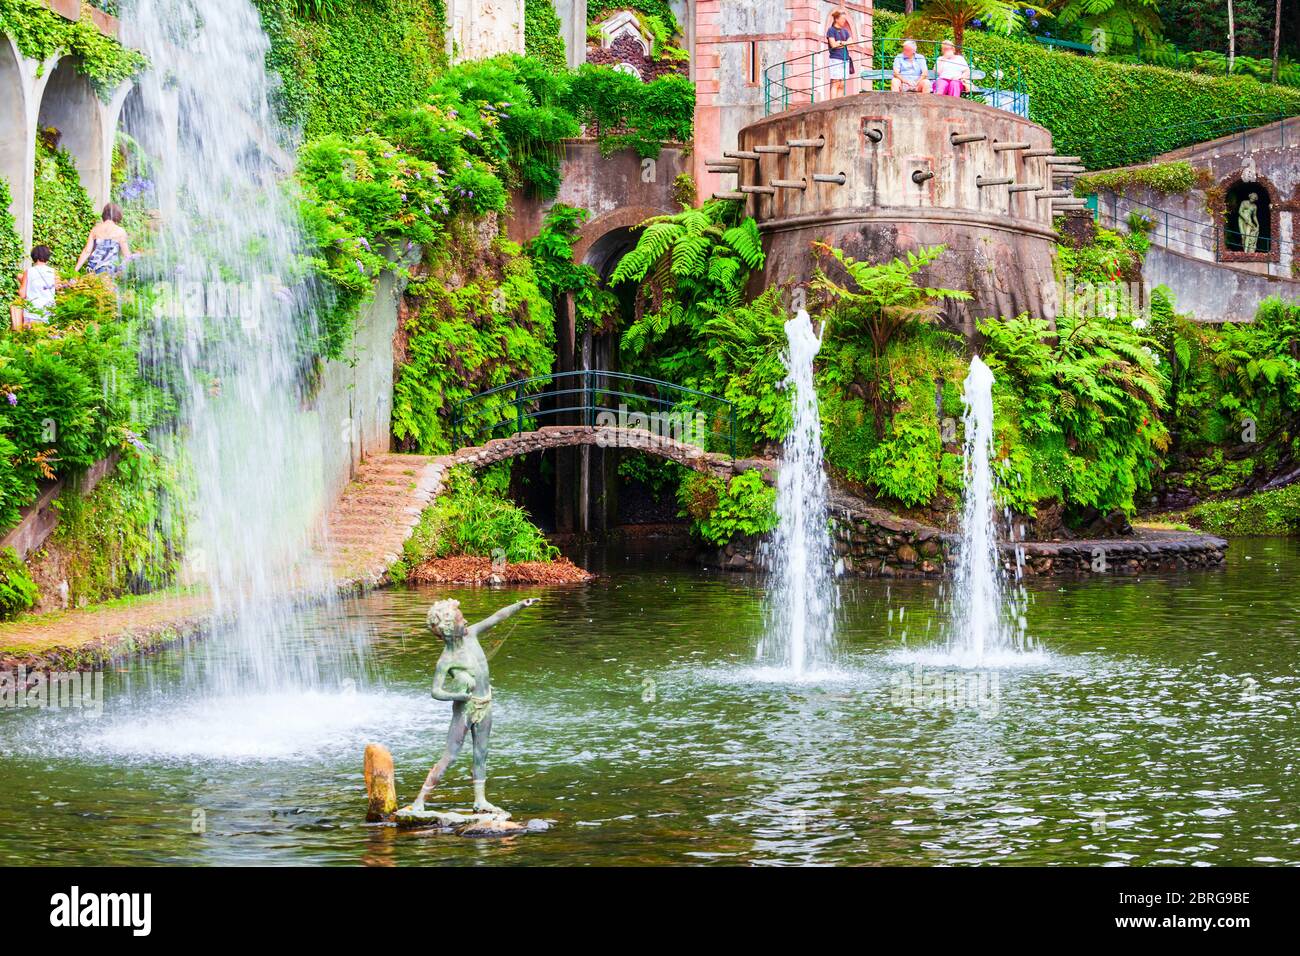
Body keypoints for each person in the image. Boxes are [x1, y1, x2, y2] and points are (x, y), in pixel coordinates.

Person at [408, 596, 539, 815]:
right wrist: (459, 696)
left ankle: (480, 800)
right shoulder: (447, 659)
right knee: (450, 755)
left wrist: (519, 605)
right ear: (449, 629)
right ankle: (420, 801)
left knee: (481, 753)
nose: (466, 621)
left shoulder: (472, 635)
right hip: (465, 709)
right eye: (461, 620)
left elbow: (496, 617)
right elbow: (436, 691)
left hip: (485, 702)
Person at [74, 203, 131, 275]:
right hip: (109, 271)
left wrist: (75, 271)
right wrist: (122, 271)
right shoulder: (120, 232)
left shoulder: (95, 230)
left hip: (92, 269)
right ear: (118, 215)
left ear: (104, 214)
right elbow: (126, 255)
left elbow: (86, 251)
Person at [14, 245, 57, 329]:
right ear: (47, 256)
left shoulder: (29, 271)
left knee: (31, 338)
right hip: (49, 312)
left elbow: (22, 294)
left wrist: (21, 280)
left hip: (32, 312)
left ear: (33, 256)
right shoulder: (53, 272)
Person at [825, 9, 855, 99]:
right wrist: (844, 43)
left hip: (845, 59)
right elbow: (833, 44)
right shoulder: (831, 30)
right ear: (837, 19)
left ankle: (838, 104)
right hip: (835, 58)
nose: (844, 21)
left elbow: (851, 42)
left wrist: (841, 43)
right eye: (842, 19)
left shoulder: (845, 31)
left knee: (842, 83)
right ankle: (832, 104)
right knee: (835, 82)